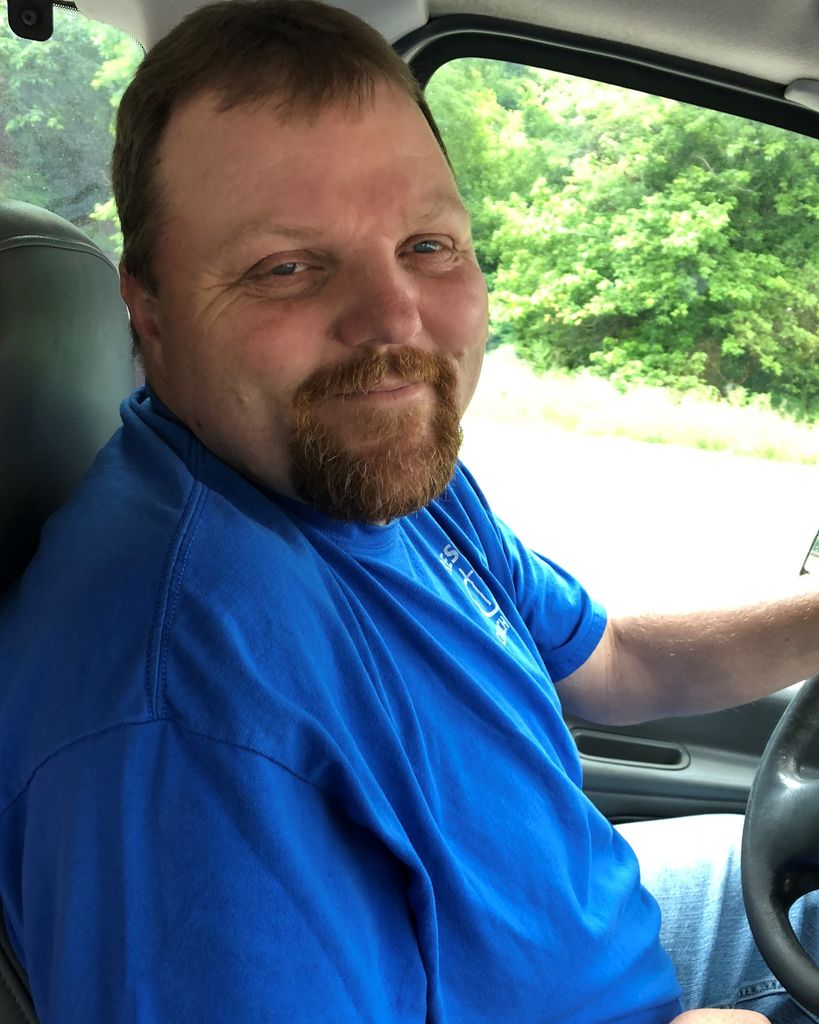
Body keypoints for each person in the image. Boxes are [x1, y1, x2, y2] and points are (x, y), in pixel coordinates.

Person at [0, 1, 817, 1022]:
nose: (395, 321)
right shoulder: (181, 719)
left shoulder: (371, 475)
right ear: (149, 310)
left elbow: (615, 662)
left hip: (586, 932)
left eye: (428, 245)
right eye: (286, 267)